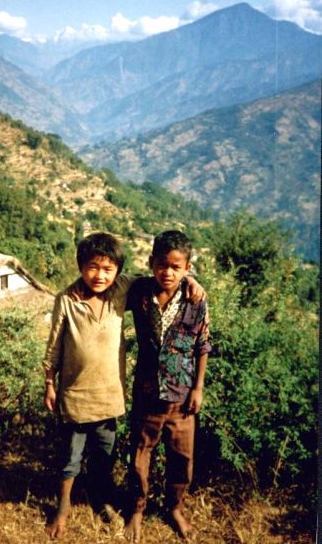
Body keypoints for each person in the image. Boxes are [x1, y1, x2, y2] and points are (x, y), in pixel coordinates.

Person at [43, 232, 205, 539]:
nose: (100, 275)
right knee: (70, 458)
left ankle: (101, 498)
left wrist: (192, 281)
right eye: (92, 267)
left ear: (118, 270)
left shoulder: (121, 289)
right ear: (80, 265)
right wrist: (49, 383)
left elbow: (165, 273)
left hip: (109, 396)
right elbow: (53, 348)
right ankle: (62, 507)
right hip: (75, 395)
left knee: (106, 454)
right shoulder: (67, 299)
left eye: (108, 269)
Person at [124, 230, 211, 542]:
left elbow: (203, 345)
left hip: (182, 396)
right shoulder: (140, 293)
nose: (168, 272)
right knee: (140, 454)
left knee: (182, 457)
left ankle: (174, 507)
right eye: (162, 265)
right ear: (151, 263)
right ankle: (136, 507)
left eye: (176, 267)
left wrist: (198, 388)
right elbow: (112, 283)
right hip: (147, 394)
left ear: (187, 267)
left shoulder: (196, 300)